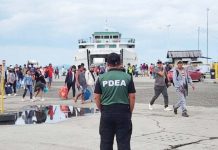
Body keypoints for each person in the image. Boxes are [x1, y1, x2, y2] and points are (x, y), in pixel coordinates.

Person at [94, 52, 136, 150]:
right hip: (123, 111)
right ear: (120, 63)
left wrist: (102, 109)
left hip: (107, 112)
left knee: (105, 143)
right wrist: (129, 111)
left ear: (108, 64)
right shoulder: (128, 77)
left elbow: (96, 97)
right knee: (124, 143)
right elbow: (132, 96)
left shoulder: (101, 78)